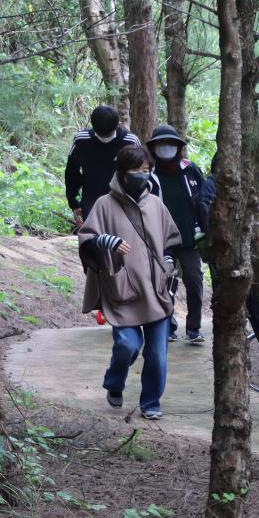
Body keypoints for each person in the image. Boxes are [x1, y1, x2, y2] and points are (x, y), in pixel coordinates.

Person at [78, 144, 182, 420]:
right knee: (127, 345)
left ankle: (151, 402)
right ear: (122, 173)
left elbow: (171, 242)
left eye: (146, 171)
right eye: (136, 171)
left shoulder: (156, 205)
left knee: (157, 355)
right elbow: (86, 240)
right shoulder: (104, 205)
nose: (141, 175)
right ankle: (114, 381)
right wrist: (104, 241)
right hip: (122, 291)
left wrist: (169, 264)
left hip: (157, 293)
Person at [199, 159, 259, 421]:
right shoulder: (211, 188)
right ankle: (235, 402)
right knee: (234, 335)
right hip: (231, 274)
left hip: (254, 273)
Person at [146, 124, 209, 345]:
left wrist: (207, 231)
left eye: (170, 144)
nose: (166, 149)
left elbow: (205, 201)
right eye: (161, 145)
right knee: (165, 280)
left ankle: (194, 328)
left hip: (190, 238)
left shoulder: (191, 170)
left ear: (178, 147)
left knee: (194, 278)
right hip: (162, 240)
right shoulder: (149, 176)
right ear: (153, 148)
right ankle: (168, 325)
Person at [65, 105, 141, 226]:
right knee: (94, 239)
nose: (105, 138)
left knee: (121, 240)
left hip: (123, 201)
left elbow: (141, 173)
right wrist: (74, 203)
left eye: (108, 134)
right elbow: (72, 172)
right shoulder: (82, 140)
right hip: (91, 201)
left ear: (117, 125)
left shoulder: (130, 141)